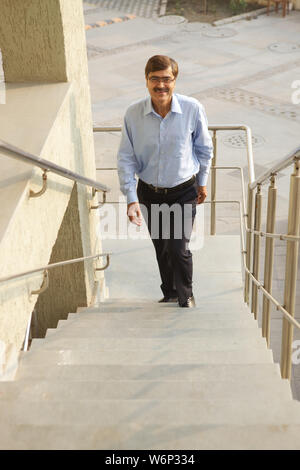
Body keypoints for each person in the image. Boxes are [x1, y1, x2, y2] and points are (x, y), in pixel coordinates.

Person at [117, 55, 213, 307]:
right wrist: (131, 198)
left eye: (167, 79)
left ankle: (186, 294)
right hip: (149, 192)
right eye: (155, 79)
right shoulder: (133, 114)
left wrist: (202, 183)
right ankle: (169, 292)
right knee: (162, 247)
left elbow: (204, 149)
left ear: (175, 80)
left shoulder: (192, 109)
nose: (161, 85)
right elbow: (126, 158)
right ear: (146, 81)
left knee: (178, 247)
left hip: (183, 191)